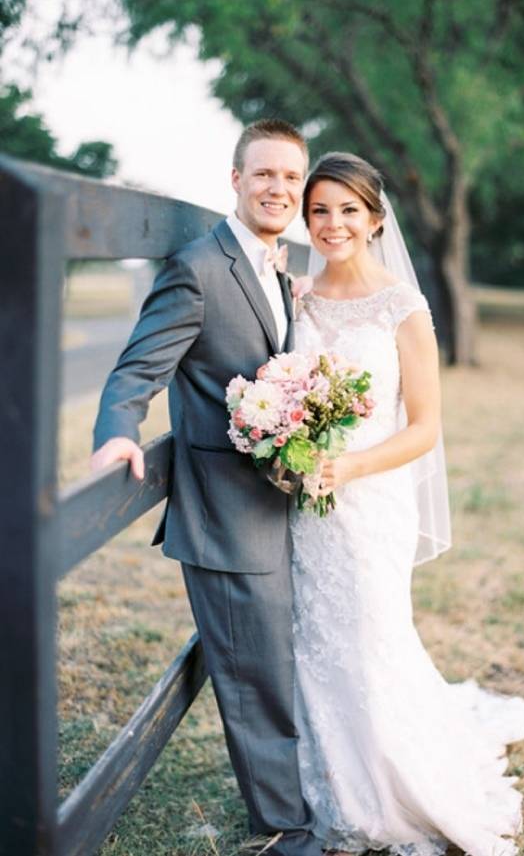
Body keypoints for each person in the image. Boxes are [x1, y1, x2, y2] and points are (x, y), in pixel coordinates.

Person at [289, 152, 524, 856]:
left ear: (373, 218)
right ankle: (330, 787)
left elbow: (425, 425)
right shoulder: (296, 297)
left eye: (347, 210)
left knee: (370, 636)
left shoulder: (403, 304)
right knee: (316, 641)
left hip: (371, 499)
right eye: (319, 210)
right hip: (304, 504)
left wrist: (349, 466)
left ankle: (394, 789)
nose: (332, 223)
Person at [91, 119, 323, 856]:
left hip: (272, 503)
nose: (277, 188)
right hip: (224, 515)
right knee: (254, 676)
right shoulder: (198, 265)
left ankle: (295, 802)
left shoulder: (273, 265)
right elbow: (138, 367)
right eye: (264, 174)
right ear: (235, 179)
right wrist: (118, 429)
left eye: (290, 177)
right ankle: (288, 828)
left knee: (276, 662)